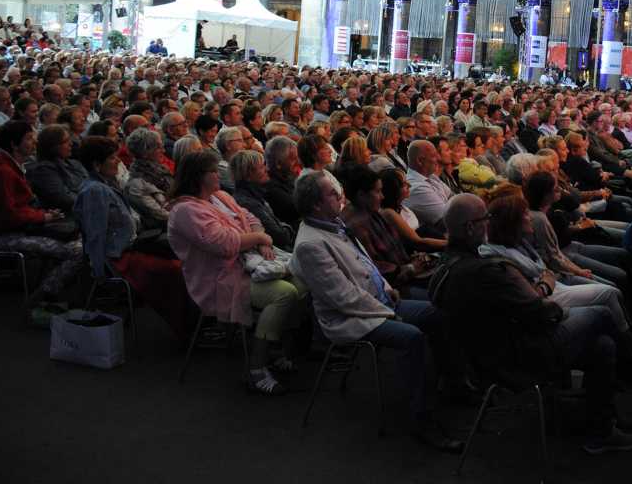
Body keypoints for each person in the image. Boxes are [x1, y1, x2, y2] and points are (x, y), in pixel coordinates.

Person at [430, 193, 632, 454]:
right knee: (600, 314)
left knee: (603, 346)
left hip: (488, 359)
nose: (489, 223)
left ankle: (602, 426)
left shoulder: (444, 268)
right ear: (471, 227)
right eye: (485, 218)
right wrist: (552, 299)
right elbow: (540, 311)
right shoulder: (485, 271)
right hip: (519, 356)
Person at [289, 170, 462, 452]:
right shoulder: (311, 244)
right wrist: (387, 308)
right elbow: (342, 298)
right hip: (351, 317)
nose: (340, 197)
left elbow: (365, 264)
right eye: (333, 194)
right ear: (316, 204)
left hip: (377, 300)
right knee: (412, 338)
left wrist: (386, 286)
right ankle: (421, 419)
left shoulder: (332, 224)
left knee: (437, 314)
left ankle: (449, 383)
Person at [167, 151, 305, 396]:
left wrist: (261, 241)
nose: (219, 174)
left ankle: (278, 349)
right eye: (213, 171)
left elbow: (250, 217)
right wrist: (260, 237)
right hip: (219, 278)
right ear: (199, 177)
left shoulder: (219, 196)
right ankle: (256, 369)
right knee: (284, 294)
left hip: (248, 262)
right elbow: (224, 244)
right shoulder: (185, 211)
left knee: (302, 284)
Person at [74, 135, 192, 340]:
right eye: (112, 158)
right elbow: (95, 234)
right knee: (175, 270)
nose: (118, 161)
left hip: (129, 246)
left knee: (183, 259)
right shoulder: (95, 191)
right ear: (96, 164)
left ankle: (190, 322)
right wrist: (100, 272)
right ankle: (186, 327)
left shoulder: (106, 184)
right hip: (117, 257)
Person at [0, 120, 82, 303]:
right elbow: (7, 215)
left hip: (21, 228)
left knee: (80, 238)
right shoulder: (2, 172)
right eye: (28, 138)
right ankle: (42, 296)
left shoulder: (11, 167)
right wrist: (43, 216)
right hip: (7, 235)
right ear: (13, 144)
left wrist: (42, 215)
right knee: (79, 251)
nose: (34, 141)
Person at [230, 149, 293, 251]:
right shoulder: (248, 202)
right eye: (261, 167)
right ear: (248, 174)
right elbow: (280, 237)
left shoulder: (256, 194)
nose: (266, 169)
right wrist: (288, 228)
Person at [379, 167, 445, 252]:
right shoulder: (389, 213)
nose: (409, 185)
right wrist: (451, 244)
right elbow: (418, 242)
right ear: (393, 189)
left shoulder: (402, 207)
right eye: (403, 184)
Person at [26, 124, 89, 212]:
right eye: (65, 141)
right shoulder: (43, 170)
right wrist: (90, 201)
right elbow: (64, 199)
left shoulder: (73, 163)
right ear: (53, 146)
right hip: (65, 218)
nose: (71, 143)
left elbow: (89, 184)